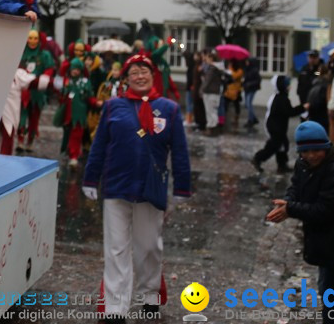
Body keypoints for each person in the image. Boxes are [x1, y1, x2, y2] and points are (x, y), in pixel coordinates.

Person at [82, 53, 191, 321]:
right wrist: (90, 177)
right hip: (116, 186)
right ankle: (115, 308)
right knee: (116, 248)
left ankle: (150, 295)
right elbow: (98, 147)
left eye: (144, 71)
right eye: (134, 72)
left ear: (153, 75)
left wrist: (182, 188)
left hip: (150, 188)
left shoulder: (169, 109)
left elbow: (179, 152)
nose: (139, 76)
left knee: (149, 247)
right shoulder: (112, 106)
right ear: (126, 78)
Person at [266, 121, 334, 315]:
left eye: (316, 150)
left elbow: (326, 209)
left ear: (325, 147)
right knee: (326, 286)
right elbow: (295, 187)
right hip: (319, 237)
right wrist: (286, 202)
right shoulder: (302, 164)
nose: (311, 155)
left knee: (331, 288)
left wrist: (291, 208)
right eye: (306, 151)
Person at [252, 75, 306, 174]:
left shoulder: (280, 97)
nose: (290, 87)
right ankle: (258, 158)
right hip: (275, 127)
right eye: (288, 85)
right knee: (274, 146)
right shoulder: (282, 99)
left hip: (278, 126)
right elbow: (290, 112)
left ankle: (282, 165)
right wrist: (303, 107)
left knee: (283, 144)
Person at [17, 29, 54, 152]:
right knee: (21, 115)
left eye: (35, 38)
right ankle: (20, 139)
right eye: (30, 38)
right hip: (23, 89)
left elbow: (49, 68)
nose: (32, 41)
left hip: (37, 91)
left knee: (34, 117)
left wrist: (45, 77)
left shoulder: (44, 55)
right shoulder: (21, 51)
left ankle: (30, 141)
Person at [55, 57, 94, 168]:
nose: (75, 71)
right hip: (67, 114)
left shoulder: (85, 82)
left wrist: (96, 103)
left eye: (77, 69)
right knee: (68, 134)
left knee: (76, 135)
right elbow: (57, 88)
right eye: (73, 69)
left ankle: (74, 156)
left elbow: (89, 97)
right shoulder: (67, 81)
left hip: (79, 115)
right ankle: (70, 152)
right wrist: (62, 71)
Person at [199, 51, 224, 135]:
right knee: (212, 111)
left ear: (211, 59)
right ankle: (212, 128)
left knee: (210, 111)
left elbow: (207, 81)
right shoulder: (216, 68)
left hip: (210, 92)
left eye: (208, 58)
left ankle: (212, 128)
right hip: (214, 92)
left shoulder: (212, 69)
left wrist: (202, 89)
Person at [242, 57, 262, 129]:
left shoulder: (254, 70)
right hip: (247, 89)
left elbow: (258, 80)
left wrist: (249, 84)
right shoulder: (247, 69)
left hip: (252, 89)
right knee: (247, 104)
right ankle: (253, 118)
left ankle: (251, 120)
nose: (246, 63)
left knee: (248, 104)